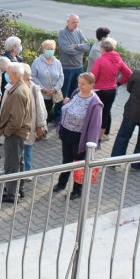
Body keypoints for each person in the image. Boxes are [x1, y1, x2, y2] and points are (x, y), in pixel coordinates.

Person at [53, 72, 102, 200]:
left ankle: (77, 190)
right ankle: (61, 183)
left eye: (83, 84)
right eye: (79, 82)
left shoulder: (95, 103)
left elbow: (95, 126)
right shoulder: (76, 92)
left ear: (92, 85)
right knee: (66, 160)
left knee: (79, 164)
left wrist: (91, 145)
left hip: (80, 138)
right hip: (67, 133)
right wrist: (66, 103)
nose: (80, 86)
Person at [0, 62, 32, 202]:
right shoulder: (22, 87)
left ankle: (11, 194)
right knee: (19, 162)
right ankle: (19, 189)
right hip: (19, 133)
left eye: (9, 73)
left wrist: (7, 131)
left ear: (15, 75)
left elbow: (16, 120)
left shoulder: (18, 92)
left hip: (15, 134)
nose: (7, 75)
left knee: (12, 165)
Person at [90, 38, 132, 141]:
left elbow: (93, 77)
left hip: (98, 91)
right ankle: (100, 138)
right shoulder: (118, 60)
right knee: (105, 113)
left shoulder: (100, 60)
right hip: (111, 91)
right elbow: (129, 73)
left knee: (94, 113)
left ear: (103, 49)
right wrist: (118, 83)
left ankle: (91, 134)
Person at [56, 14, 91, 119]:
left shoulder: (79, 32)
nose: (76, 25)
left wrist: (76, 46)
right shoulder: (62, 33)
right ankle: (58, 114)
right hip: (67, 68)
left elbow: (87, 46)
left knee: (75, 92)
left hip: (78, 67)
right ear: (68, 22)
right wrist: (80, 51)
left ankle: (70, 112)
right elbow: (66, 49)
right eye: (73, 22)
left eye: (77, 22)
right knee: (63, 92)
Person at [21, 63, 47, 172]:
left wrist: (40, 125)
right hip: (16, 127)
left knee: (27, 151)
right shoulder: (11, 86)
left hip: (28, 127)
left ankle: (27, 171)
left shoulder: (34, 89)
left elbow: (41, 109)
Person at [30, 39, 64, 123]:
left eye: (52, 49)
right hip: (40, 94)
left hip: (52, 95)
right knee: (38, 115)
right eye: (47, 49)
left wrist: (55, 89)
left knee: (47, 114)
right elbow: (33, 77)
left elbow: (61, 77)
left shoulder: (57, 62)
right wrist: (42, 88)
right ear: (43, 50)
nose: (50, 51)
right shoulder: (37, 62)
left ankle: (43, 131)